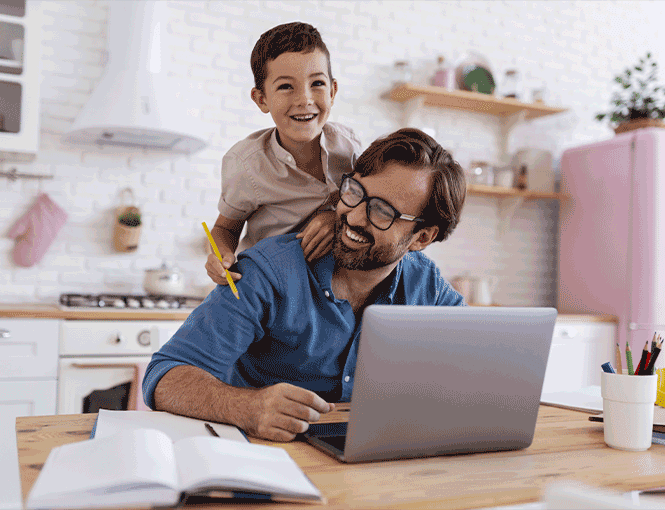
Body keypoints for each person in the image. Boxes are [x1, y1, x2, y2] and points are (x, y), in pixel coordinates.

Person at [144, 128, 466, 442]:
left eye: (382, 212)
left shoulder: (427, 286)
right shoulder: (268, 272)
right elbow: (164, 376)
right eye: (354, 192)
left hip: (368, 458)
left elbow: (476, 364)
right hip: (262, 457)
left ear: (422, 237)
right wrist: (247, 407)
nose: (353, 217)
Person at [205, 21, 362, 287]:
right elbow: (225, 228)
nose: (305, 99)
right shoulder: (246, 164)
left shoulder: (349, 147)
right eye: (286, 87)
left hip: (331, 285)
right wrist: (220, 257)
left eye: (317, 83)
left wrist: (333, 215)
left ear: (333, 91)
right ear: (261, 99)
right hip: (271, 284)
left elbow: (365, 204)